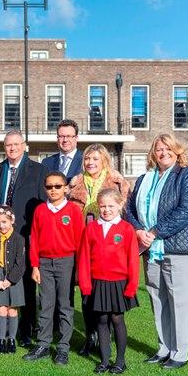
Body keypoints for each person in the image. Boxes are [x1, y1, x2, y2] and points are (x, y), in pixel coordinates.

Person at [125, 133, 188, 369]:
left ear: (177, 150)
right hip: (151, 249)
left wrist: (156, 231)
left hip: (180, 249)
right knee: (158, 300)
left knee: (179, 302)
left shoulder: (187, 175)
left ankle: (180, 353)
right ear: (152, 153)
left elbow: (187, 208)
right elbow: (129, 209)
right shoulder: (144, 179)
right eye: (159, 149)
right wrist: (139, 231)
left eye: (168, 148)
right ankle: (164, 349)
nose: (163, 153)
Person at [68, 143, 130, 356]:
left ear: (104, 160)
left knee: (111, 301)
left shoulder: (117, 182)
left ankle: (110, 340)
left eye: (95, 158)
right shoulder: (75, 184)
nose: (90, 162)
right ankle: (91, 337)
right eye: (87, 159)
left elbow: (126, 215)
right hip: (82, 246)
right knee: (88, 296)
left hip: (110, 250)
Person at [0, 130, 48, 346]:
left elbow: (42, 206)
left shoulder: (39, 170)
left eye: (16, 144)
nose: (12, 148)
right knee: (4, 280)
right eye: (8, 145)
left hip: (25, 235)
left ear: (24, 145)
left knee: (25, 284)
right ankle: (4, 330)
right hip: (2, 236)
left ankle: (26, 329)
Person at [23, 171, 83, 365]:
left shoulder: (73, 210)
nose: (53, 190)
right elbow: (35, 240)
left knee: (65, 306)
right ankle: (43, 344)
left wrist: (78, 269)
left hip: (66, 262)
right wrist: (35, 266)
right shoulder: (40, 210)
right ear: (45, 189)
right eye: (49, 186)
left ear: (65, 188)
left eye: (58, 186)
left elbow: (80, 241)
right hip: (44, 264)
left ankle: (63, 348)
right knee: (46, 305)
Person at [79, 188, 139, 374]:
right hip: (97, 282)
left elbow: (133, 261)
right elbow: (84, 258)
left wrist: (131, 286)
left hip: (119, 282)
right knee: (102, 319)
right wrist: (85, 284)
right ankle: (104, 360)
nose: (106, 210)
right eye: (102, 206)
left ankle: (120, 361)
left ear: (120, 205)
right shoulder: (91, 227)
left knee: (116, 318)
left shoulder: (127, 229)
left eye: (111, 206)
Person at [0, 205, 25, 354]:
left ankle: (12, 339)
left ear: (11, 220)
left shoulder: (19, 239)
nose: (1, 225)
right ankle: (1, 340)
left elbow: (20, 264)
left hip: (13, 279)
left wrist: (10, 280)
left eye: (4, 222)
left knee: (12, 310)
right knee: (1, 309)